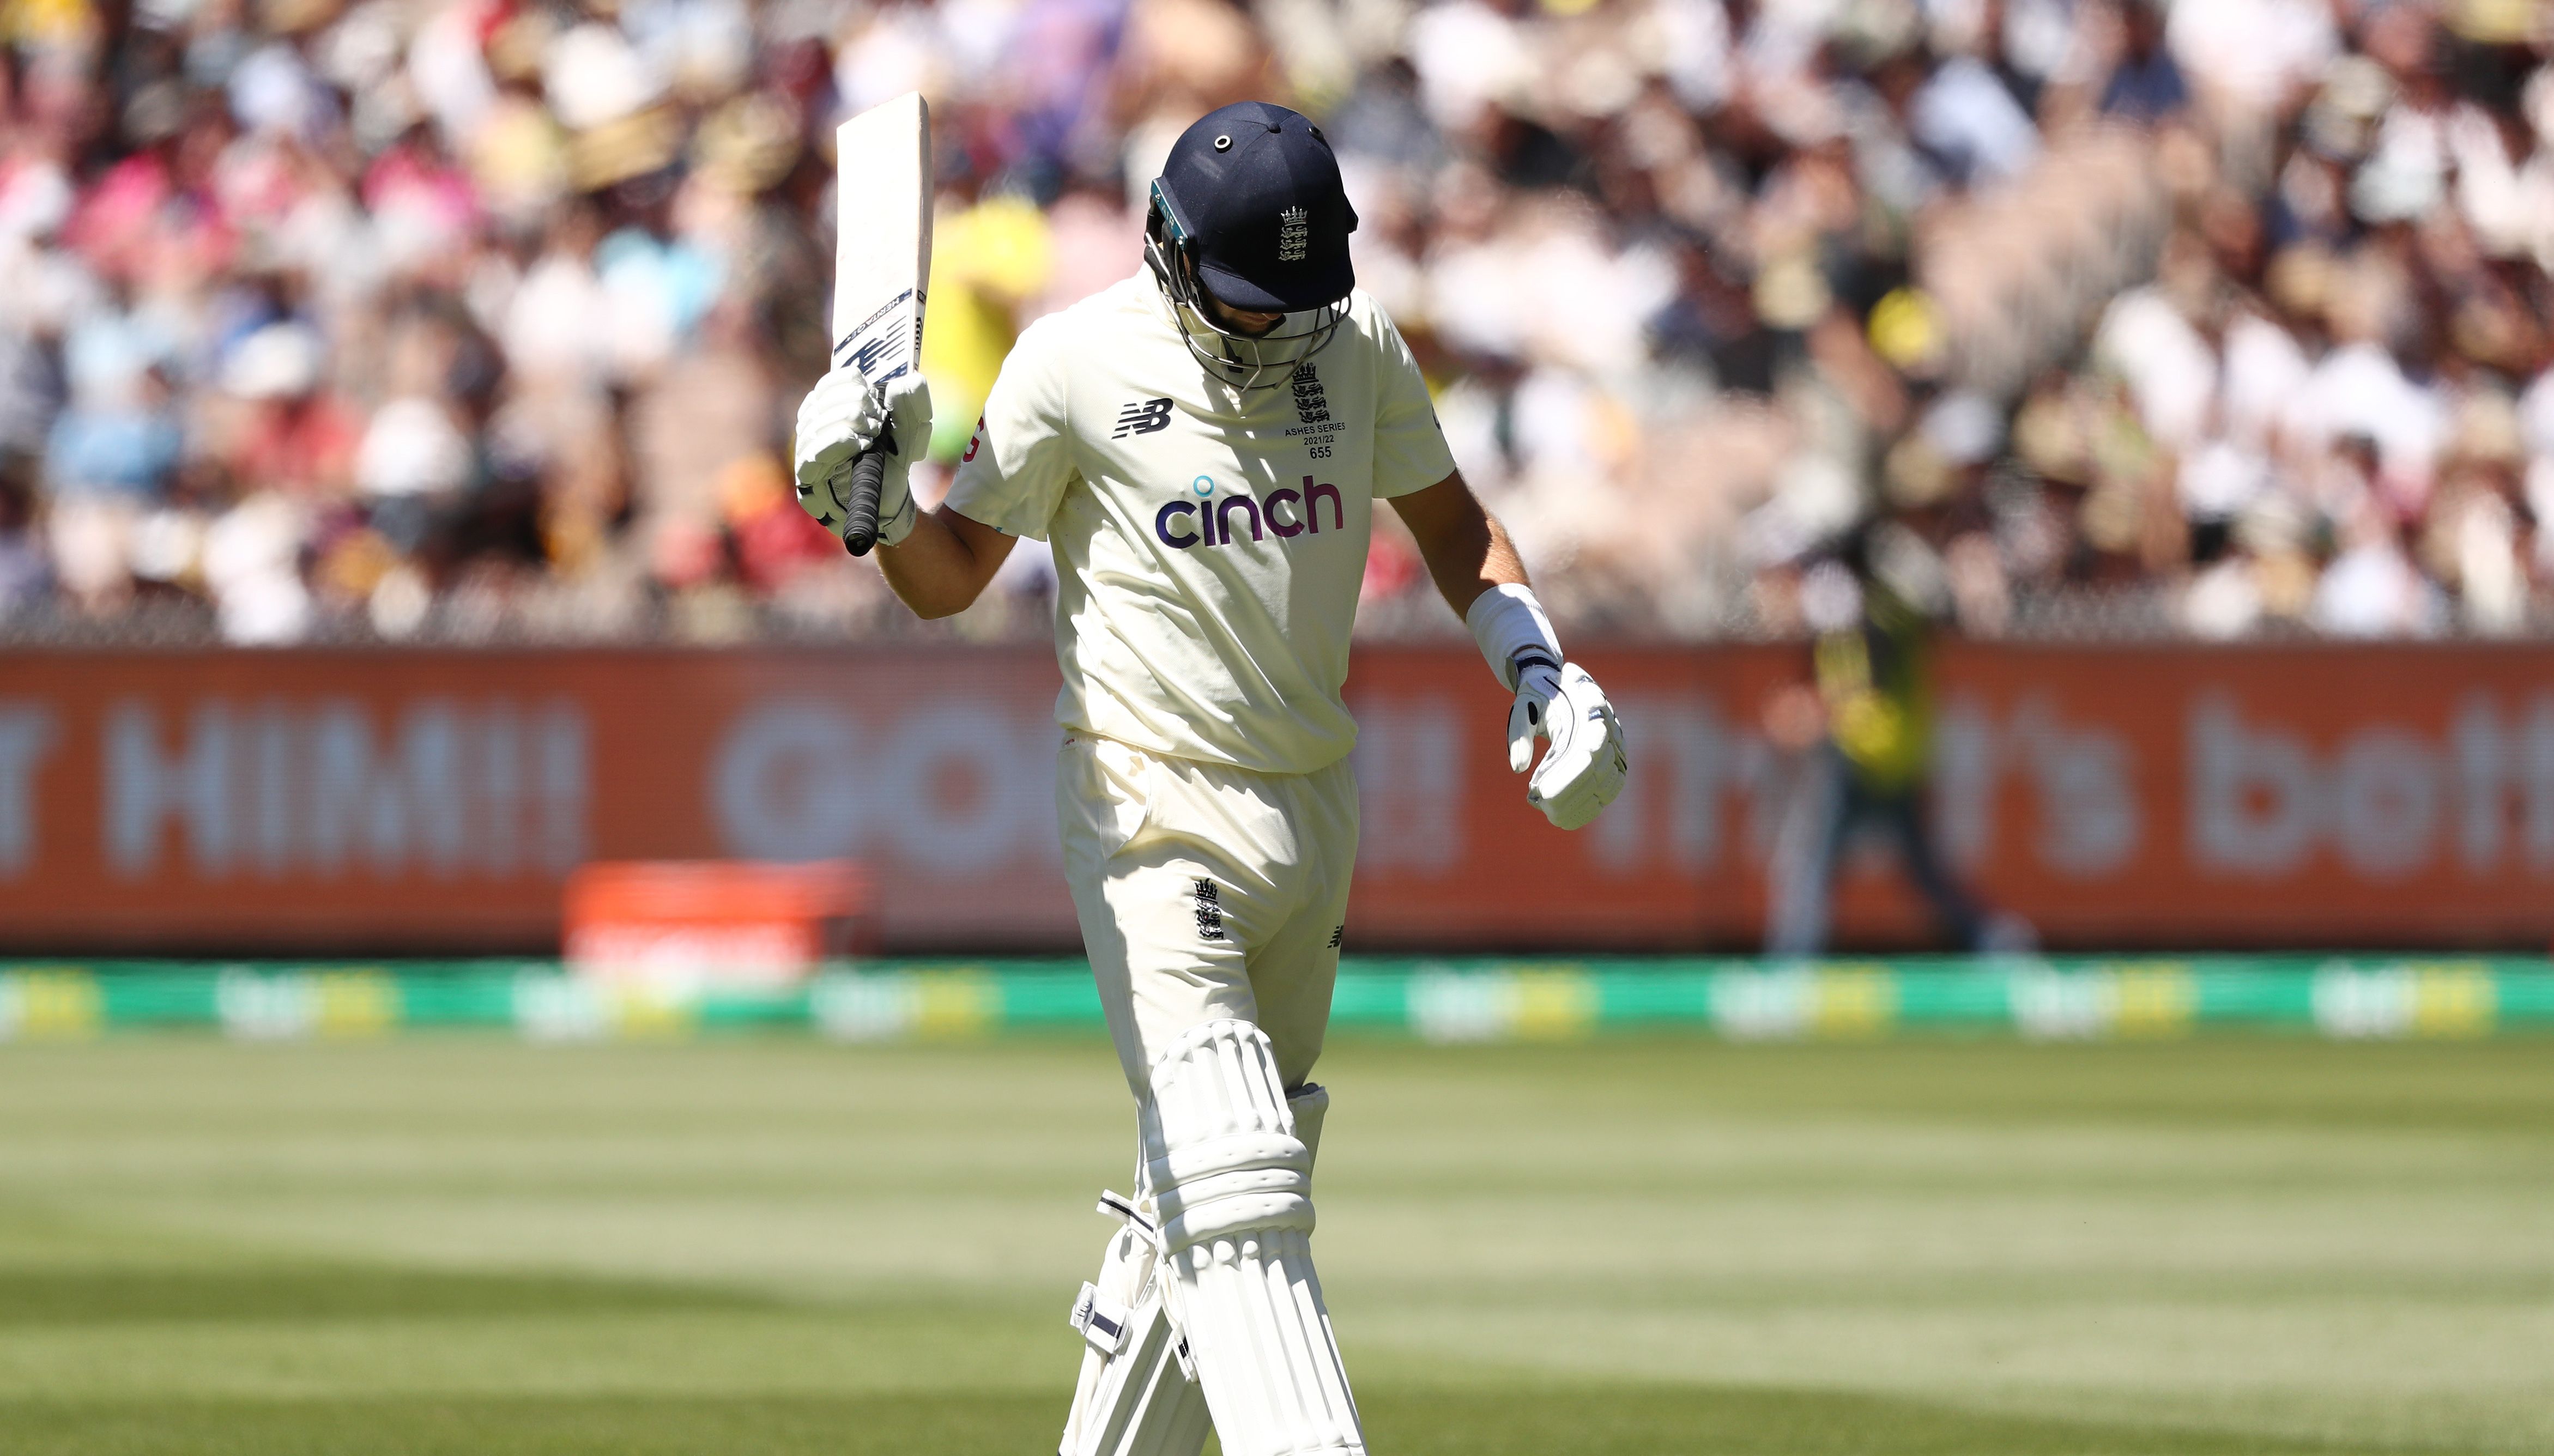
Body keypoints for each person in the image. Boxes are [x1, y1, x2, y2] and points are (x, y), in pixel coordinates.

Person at [791, 102, 1627, 1456]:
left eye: (1298, 303)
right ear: (1171, 252)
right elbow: (947, 581)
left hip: (1311, 804)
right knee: (1235, 1181)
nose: (1279, 329)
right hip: (1147, 808)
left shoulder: (1352, 345)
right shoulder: (1071, 364)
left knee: (1216, 1187)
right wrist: (875, 509)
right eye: (1252, 305)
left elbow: (1459, 530)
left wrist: (1539, 667)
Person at [1763, 521, 2025, 957]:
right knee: (1921, 871)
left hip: (1862, 754)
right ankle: (1996, 940)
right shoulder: (1888, 608)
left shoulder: (1867, 614)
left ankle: (1791, 966)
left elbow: (1865, 688)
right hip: (1896, 755)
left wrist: (1814, 715)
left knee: (1811, 863)